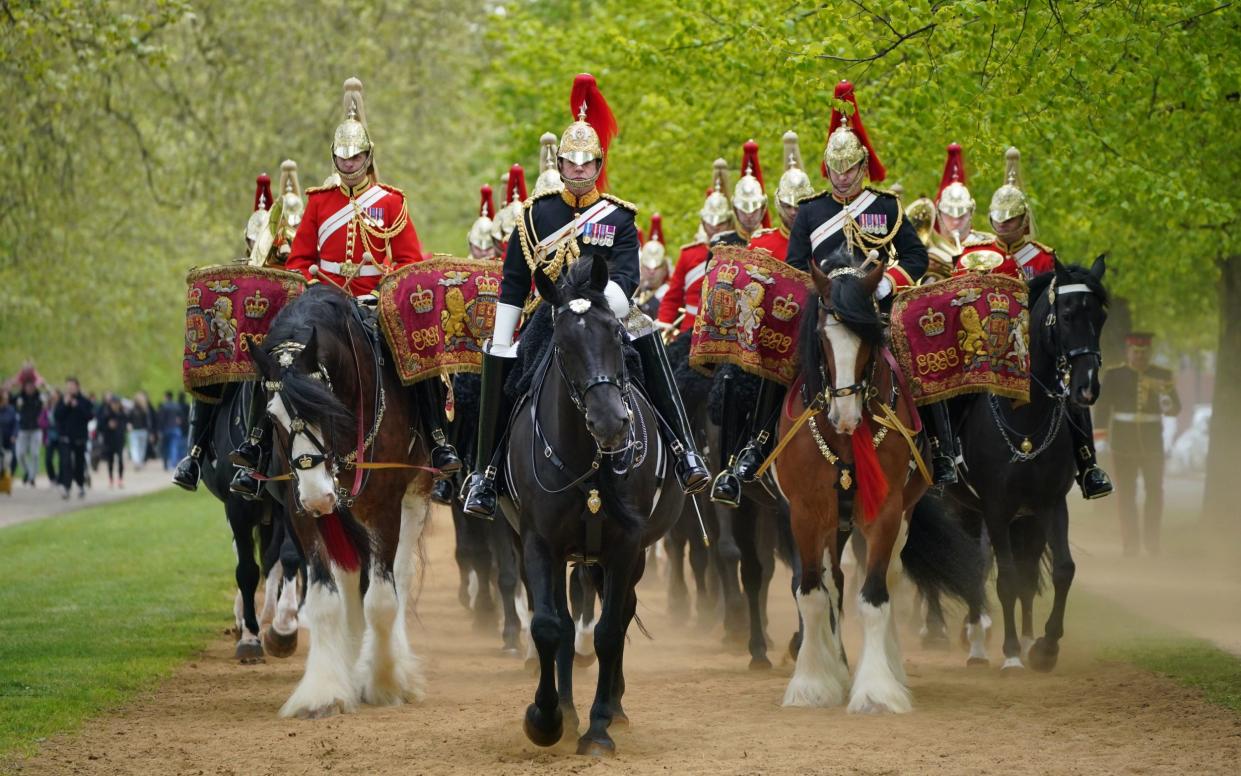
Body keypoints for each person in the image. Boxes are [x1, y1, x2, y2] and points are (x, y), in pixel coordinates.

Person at [461, 73, 710, 518]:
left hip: (608, 309)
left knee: (648, 346)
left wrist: (595, 308)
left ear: (598, 165)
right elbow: (515, 281)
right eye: (570, 163)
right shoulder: (534, 215)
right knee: (507, 373)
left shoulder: (618, 216)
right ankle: (487, 473)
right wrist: (502, 338)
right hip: (549, 313)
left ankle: (682, 450)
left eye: (586, 163)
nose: (578, 170)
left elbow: (628, 274)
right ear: (559, 165)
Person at [236, 77, 459, 490]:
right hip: (324, 305)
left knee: (417, 349)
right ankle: (256, 444)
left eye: (356, 156)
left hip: (374, 304)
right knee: (275, 356)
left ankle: (437, 438)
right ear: (334, 158)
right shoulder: (320, 201)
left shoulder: (391, 201)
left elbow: (409, 261)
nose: (350, 163)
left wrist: (385, 291)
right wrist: (311, 289)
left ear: (369, 156)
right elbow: (301, 260)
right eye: (343, 157)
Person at [956, 147, 1112, 499]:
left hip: (1035, 351)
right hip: (985, 348)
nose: (1003, 226)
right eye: (998, 219)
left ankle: (1087, 466)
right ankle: (946, 455)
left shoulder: (1043, 258)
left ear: (1025, 220)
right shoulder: (973, 254)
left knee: (1071, 397)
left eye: (1011, 220)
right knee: (954, 391)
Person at [1094, 333, 1180, 556]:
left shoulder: (1162, 375)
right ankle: (1130, 545)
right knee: (1126, 495)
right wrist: (1101, 438)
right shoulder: (1115, 375)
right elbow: (1102, 408)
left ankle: (1152, 543)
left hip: (1153, 443)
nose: (1140, 356)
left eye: (1144, 352)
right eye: (1136, 352)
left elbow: (1175, 409)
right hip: (1122, 443)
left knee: (1155, 493)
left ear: (1149, 353)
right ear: (1128, 352)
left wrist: (1167, 400)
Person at [657, 159, 735, 336]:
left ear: (729, 222)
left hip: (726, 333)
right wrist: (664, 324)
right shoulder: (688, 254)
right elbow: (673, 297)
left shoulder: (738, 253)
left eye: (721, 223)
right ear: (703, 222)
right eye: (710, 223)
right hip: (690, 331)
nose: (715, 227)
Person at [748, 130, 815, 262]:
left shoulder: (822, 241)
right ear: (778, 203)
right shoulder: (760, 246)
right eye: (787, 206)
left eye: (798, 206)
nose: (793, 212)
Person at [55, 377, 93, 499]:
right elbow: (57, 416)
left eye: (72, 386)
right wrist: (66, 405)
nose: (70, 388)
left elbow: (89, 416)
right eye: (68, 386)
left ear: (77, 386)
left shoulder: (84, 401)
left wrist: (77, 406)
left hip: (79, 438)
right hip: (65, 437)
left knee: (79, 463)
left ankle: (80, 485)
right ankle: (67, 487)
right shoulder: (62, 400)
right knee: (65, 463)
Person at [634, 213, 670, 318]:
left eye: (657, 267)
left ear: (665, 269)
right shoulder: (634, 290)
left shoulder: (668, 294)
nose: (651, 272)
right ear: (640, 267)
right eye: (647, 267)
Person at [14, 380, 43, 486]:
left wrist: (44, 385)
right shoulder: (20, 397)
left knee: (35, 454)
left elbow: (50, 397)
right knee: (20, 454)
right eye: (27, 387)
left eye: (32, 386)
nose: (30, 389)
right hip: (23, 429)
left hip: (36, 429)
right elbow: (9, 399)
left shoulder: (39, 397)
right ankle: (27, 471)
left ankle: (32, 476)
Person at [98, 395, 128, 488]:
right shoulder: (106, 414)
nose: (115, 405)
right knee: (110, 461)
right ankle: (111, 479)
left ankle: (120, 479)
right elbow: (100, 427)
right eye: (113, 403)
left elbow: (125, 426)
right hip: (109, 441)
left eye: (116, 403)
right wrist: (108, 426)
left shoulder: (122, 414)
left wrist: (123, 427)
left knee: (120, 460)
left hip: (119, 440)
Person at [127, 390, 154, 469]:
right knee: (141, 448)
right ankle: (139, 462)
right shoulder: (145, 410)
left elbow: (128, 420)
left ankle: (137, 462)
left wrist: (129, 425)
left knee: (135, 447)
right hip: (142, 431)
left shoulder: (132, 410)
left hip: (136, 431)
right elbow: (148, 422)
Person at [158, 390, 183, 470]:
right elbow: (181, 418)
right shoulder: (177, 406)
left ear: (166, 397)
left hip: (166, 429)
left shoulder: (163, 406)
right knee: (174, 446)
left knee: (165, 447)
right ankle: (173, 463)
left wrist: (159, 430)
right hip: (175, 429)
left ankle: (165, 464)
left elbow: (161, 419)